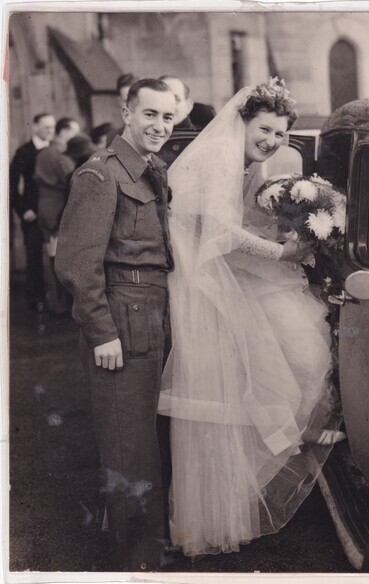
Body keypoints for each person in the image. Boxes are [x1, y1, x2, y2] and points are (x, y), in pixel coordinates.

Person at [158, 79, 345, 556]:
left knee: (255, 373)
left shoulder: (240, 161)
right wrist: (282, 253)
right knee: (227, 385)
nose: (272, 141)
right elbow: (221, 230)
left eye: (281, 134)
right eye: (265, 129)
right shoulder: (220, 155)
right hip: (199, 281)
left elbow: (226, 229)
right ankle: (209, 521)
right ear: (241, 121)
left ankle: (227, 510)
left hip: (212, 268)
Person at [55, 79, 176, 572]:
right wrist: (102, 331)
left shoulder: (155, 169)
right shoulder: (99, 175)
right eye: (149, 114)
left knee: (147, 440)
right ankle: (137, 562)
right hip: (123, 321)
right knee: (128, 448)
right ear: (126, 113)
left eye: (168, 118)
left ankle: (150, 548)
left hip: (152, 313)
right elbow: (76, 264)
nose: (159, 126)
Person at [9, 112, 56, 311]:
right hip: (32, 213)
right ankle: (36, 299)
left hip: (53, 213)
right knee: (34, 256)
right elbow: (10, 185)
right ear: (35, 127)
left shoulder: (55, 150)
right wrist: (23, 210)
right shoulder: (24, 152)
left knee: (56, 255)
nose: (50, 131)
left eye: (53, 128)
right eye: (46, 127)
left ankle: (57, 299)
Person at [35, 117, 79, 315]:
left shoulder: (44, 153)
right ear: (63, 132)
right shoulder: (60, 156)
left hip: (45, 207)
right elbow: (72, 179)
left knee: (52, 255)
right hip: (58, 208)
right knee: (61, 258)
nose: (76, 136)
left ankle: (56, 303)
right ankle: (63, 305)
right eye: (73, 132)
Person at [106, 73, 139, 146]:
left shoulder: (153, 132)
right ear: (119, 101)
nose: (130, 106)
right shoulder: (112, 137)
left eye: (134, 100)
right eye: (126, 101)